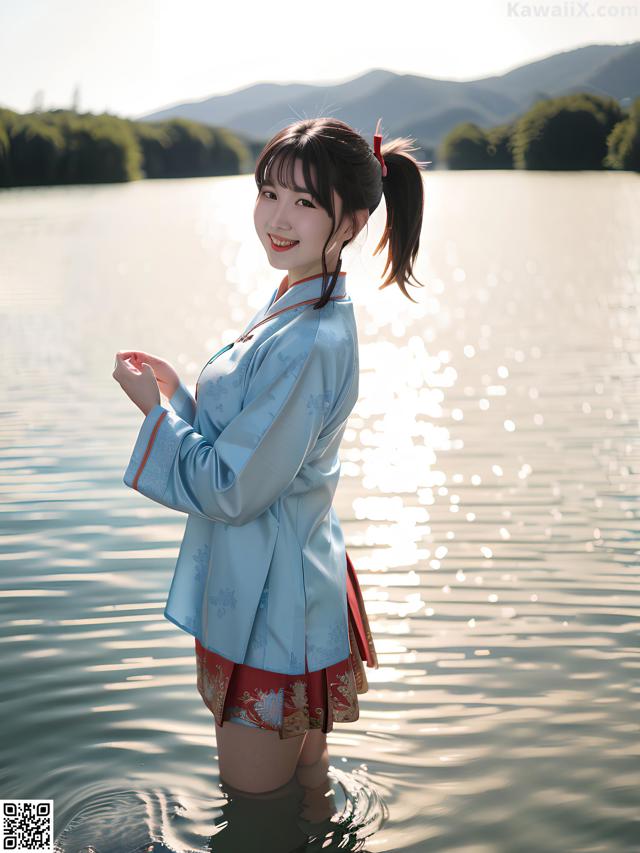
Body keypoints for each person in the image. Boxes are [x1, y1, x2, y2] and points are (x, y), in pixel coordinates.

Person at [112, 116, 428, 795]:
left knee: (252, 814)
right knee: (305, 792)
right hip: (296, 580)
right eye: (269, 192)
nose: (277, 218)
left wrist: (153, 414)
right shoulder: (302, 296)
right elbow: (260, 452)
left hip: (271, 607)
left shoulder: (309, 337)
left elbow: (234, 487)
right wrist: (181, 401)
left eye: (306, 202)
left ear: (351, 223)